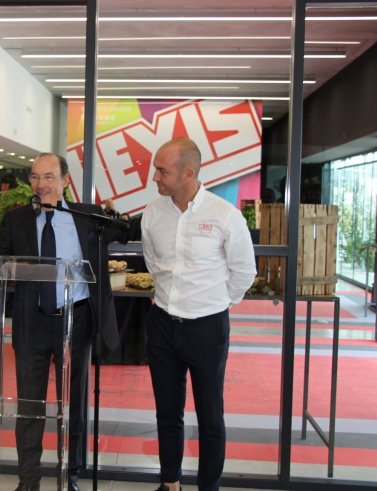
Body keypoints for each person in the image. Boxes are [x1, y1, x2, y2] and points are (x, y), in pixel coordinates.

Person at [0, 153, 131, 491]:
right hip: (31, 320)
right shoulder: (17, 219)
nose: (41, 185)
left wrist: (118, 215)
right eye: (35, 178)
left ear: (66, 180)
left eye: (49, 177)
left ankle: (71, 474)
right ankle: (29, 479)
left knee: (74, 402)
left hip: (76, 319)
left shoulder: (88, 217)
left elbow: (126, 232)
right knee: (30, 405)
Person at [141, 138, 256, 491]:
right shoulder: (152, 213)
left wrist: (214, 303)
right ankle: (169, 482)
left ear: (188, 173)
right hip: (162, 323)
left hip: (207, 327)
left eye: (162, 170)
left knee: (210, 416)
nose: (154, 177)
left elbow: (244, 272)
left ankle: (209, 486)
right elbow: (153, 263)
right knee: (167, 412)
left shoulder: (224, 215)